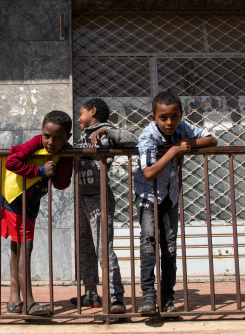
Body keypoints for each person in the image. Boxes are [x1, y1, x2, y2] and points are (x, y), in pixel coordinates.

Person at [134, 90, 217, 314]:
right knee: (148, 246)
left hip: (170, 196)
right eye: (163, 117)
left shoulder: (183, 127)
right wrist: (173, 151)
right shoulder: (147, 136)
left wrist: (185, 142)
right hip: (148, 196)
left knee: (169, 249)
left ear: (181, 115)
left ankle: (168, 299)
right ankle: (149, 297)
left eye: (174, 116)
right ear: (153, 117)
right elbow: (149, 172)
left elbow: (212, 139)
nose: (169, 122)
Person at [70, 98, 138, 314]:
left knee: (103, 249)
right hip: (81, 197)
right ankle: (90, 293)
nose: (78, 118)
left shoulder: (106, 130)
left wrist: (109, 133)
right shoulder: (82, 135)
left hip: (98, 198)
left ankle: (116, 297)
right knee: (85, 247)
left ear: (93, 111)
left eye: (80, 113)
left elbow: (133, 140)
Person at [3, 110, 73, 316]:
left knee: (17, 248)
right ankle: (30, 302)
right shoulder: (35, 143)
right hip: (16, 201)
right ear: (41, 133)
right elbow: (11, 162)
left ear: (67, 137)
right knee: (25, 247)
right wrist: (41, 171)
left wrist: (65, 158)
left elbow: (60, 184)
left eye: (58, 138)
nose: (50, 142)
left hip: (30, 204)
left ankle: (14, 298)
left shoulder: (63, 150)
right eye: (47, 135)